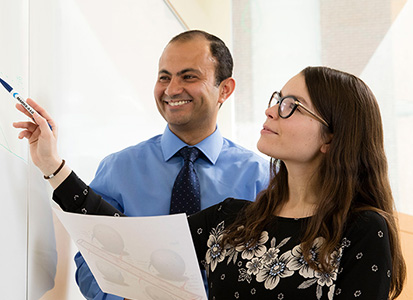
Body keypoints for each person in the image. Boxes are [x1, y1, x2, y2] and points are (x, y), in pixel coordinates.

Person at [13, 66, 406, 299]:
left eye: (291, 106)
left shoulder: (362, 229)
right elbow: (125, 244)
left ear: (332, 138)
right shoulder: (233, 218)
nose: (272, 110)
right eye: (277, 98)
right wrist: (52, 164)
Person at [67, 29, 270, 300]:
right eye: (164, 77)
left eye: (189, 76)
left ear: (224, 89)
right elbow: (90, 259)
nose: (172, 89)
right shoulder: (118, 169)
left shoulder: (262, 178)